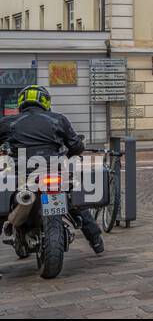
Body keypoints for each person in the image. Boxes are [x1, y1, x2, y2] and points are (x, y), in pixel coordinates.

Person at [0, 85, 104, 254]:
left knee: (3, 205)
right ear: (45, 102)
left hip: (23, 177)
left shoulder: (9, 122)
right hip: (55, 172)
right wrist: (69, 152)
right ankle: (96, 242)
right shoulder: (58, 119)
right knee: (75, 202)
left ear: (21, 102)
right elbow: (76, 146)